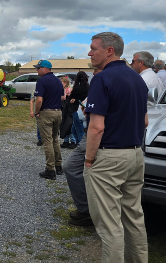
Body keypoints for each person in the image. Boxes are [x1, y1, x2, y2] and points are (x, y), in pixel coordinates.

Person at [84, 32, 148, 263]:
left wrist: (89, 160)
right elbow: (145, 121)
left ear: (109, 50)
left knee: (109, 226)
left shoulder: (102, 78)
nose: (89, 53)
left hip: (109, 157)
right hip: (135, 154)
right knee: (134, 218)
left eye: (93, 48)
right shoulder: (136, 78)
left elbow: (96, 127)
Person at [63, 68, 102, 227]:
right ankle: (90, 210)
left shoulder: (100, 83)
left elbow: (94, 123)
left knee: (73, 167)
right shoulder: (134, 81)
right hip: (114, 139)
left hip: (95, 133)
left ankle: (87, 212)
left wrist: (89, 157)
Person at [34, 60, 64, 180]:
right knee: (55, 139)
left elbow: (39, 100)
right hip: (58, 112)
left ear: (45, 69)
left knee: (47, 142)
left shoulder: (42, 81)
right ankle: (59, 166)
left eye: (38, 68)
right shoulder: (58, 80)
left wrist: (37, 112)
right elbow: (62, 97)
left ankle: (50, 170)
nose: (37, 70)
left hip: (46, 112)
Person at [66, 71, 89, 146]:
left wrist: (72, 99)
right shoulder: (88, 87)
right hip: (84, 109)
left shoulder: (77, 88)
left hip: (77, 109)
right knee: (74, 129)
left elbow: (71, 97)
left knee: (79, 131)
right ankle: (79, 145)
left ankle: (81, 147)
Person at [59, 77, 76, 149]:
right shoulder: (61, 90)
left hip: (68, 110)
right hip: (63, 110)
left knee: (69, 125)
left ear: (65, 83)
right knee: (64, 125)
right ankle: (66, 141)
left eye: (61, 83)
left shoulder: (69, 90)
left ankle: (73, 141)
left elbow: (66, 98)